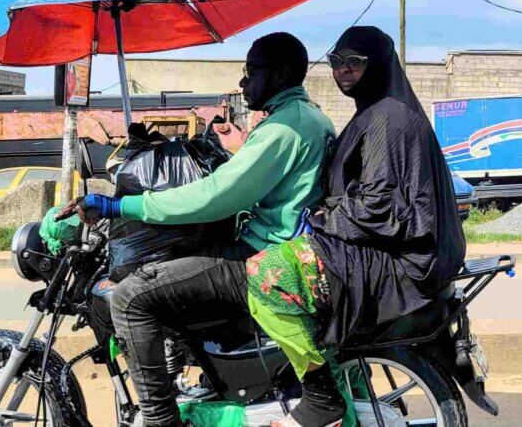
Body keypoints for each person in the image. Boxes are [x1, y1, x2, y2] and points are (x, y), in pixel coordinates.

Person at [60, 32, 336, 427]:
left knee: (131, 297)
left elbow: (216, 197)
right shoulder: (308, 118)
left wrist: (120, 205)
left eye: (251, 72)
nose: (244, 83)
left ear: (282, 74)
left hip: (263, 258)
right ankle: (206, 378)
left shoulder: (283, 128)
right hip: (286, 249)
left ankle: (160, 420)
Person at [247, 26, 467, 426]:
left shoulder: (388, 118)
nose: (343, 71)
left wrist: (318, 220)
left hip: (403, 259)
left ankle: (320, 398)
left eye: (355, 62)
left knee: (265, 273)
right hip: (390, 246)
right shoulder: (375, 110)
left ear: (378, 64)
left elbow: (377, 205)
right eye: (336, 62)